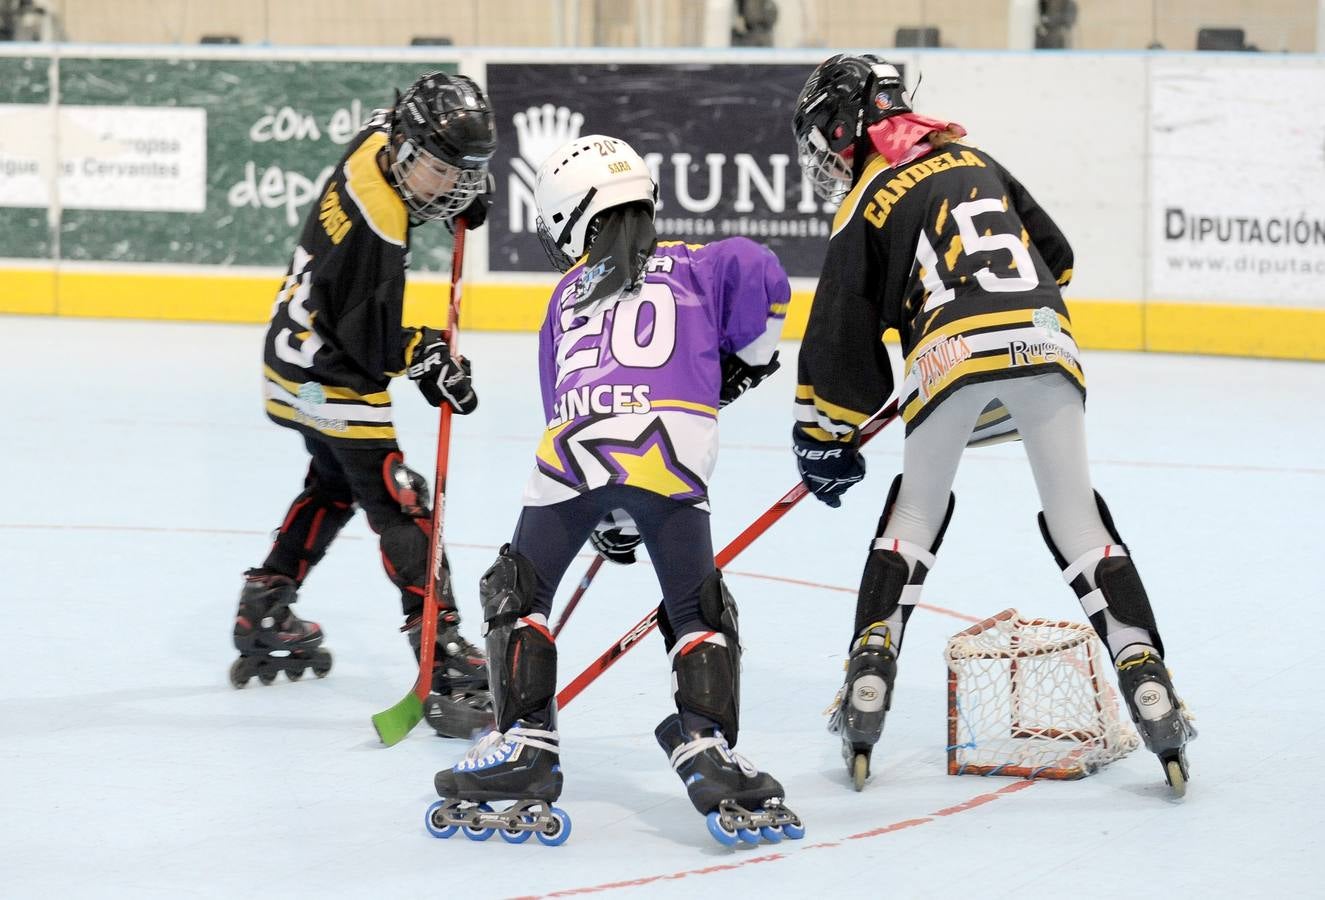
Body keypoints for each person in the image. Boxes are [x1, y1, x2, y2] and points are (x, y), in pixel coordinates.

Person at [788, 54, 1196, 793]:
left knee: (913, 511)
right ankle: (1145, 673)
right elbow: (1058, 257)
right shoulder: (974, 155)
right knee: (1078, 519)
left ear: (844, 126)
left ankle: (868, 672)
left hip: (949, 353)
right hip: (1045, 337)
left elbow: (839, 332)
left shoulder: (866, 199)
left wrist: (823, 432)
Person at [427, 134, 803, 846]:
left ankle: (526, 746)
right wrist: (749, 361)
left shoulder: (566, 291)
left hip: (575, 447)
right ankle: (706, 746)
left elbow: (558, 392)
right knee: (697, 607)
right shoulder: (697, 264)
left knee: (520, 591)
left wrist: (598, 511)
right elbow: (760, 268)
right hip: (672, 449)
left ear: (571, 215)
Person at [229, 71, 497, 741]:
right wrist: (429, 354)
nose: (449, 185)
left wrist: (457, 190)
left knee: (332, 484)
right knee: (398, 502)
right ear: (407, 152)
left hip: (289, 363)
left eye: (460, 173)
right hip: (331, 369)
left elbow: (361, 315)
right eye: (440, 170)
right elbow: (370, 342)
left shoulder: (376, 137)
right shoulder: (375, 229)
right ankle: (440, 652)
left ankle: (264, 605)